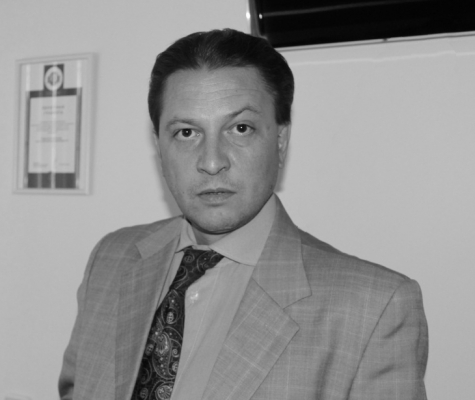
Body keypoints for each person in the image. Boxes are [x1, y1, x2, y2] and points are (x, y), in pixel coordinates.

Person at [58, 29, 428, 400]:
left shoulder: (374, 307)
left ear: (280, 141)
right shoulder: (112, 259)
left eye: (240, 128)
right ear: (159, 147)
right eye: (186, 132)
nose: (212, 162)